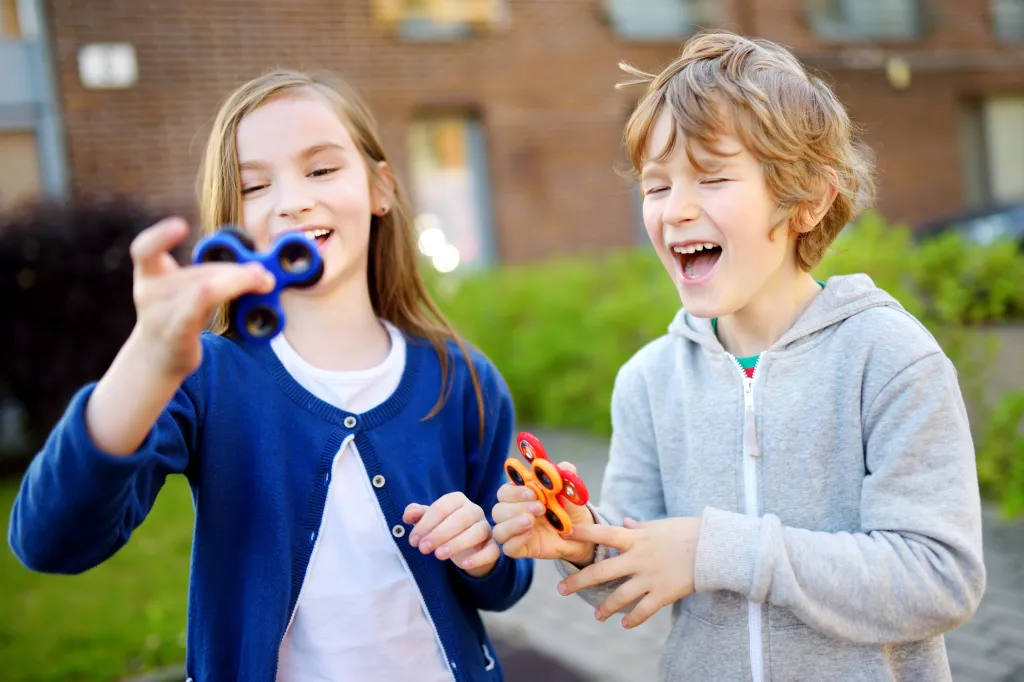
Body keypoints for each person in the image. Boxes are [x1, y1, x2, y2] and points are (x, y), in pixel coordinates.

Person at [491, 31, 985, 682]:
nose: (676, 210)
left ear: (808, 199)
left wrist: (714, 549)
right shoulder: (648, 381)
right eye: (656, 185)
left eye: (712, 177)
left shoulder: (888, 358)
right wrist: (582, 542)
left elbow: (939, 579)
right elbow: (629, 583)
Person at [8, 69, 532, 682]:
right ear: (231, 223)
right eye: (255, 184)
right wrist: (146, 358)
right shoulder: (206, 378)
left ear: (380, 187)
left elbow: (508, 581)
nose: (292, 200)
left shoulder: (465, 379)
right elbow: (50, 539)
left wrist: (484, 550)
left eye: (321, 169)